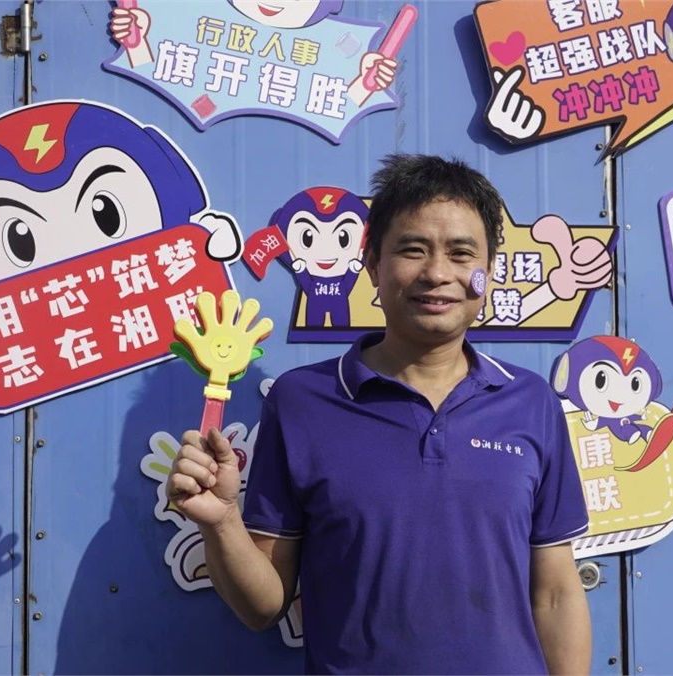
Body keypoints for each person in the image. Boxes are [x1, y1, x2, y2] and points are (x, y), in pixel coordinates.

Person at [166, 153, 592, 674]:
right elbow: (263, 607)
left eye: (462, 254)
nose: (437, 274)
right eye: (412, 250)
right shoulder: (301, 401)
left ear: (489, 270)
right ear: (372, 264)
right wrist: (222, 522)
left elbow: (556, 593)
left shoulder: (530, 402)